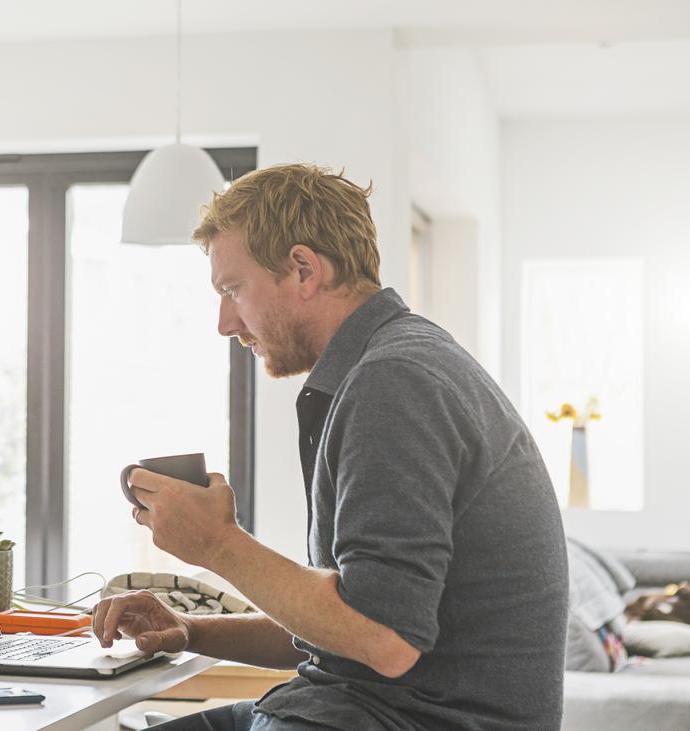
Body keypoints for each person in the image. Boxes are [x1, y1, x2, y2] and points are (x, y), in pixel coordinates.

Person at [93, 164, 568, 731]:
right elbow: (353, 623)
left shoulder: (394, 381)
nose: (224, 322)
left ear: (302, 269)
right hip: (366, 708)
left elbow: (384, 640)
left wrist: (216, 544)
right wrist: (192, 631)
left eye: (232, 289)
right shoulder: (394, 364)